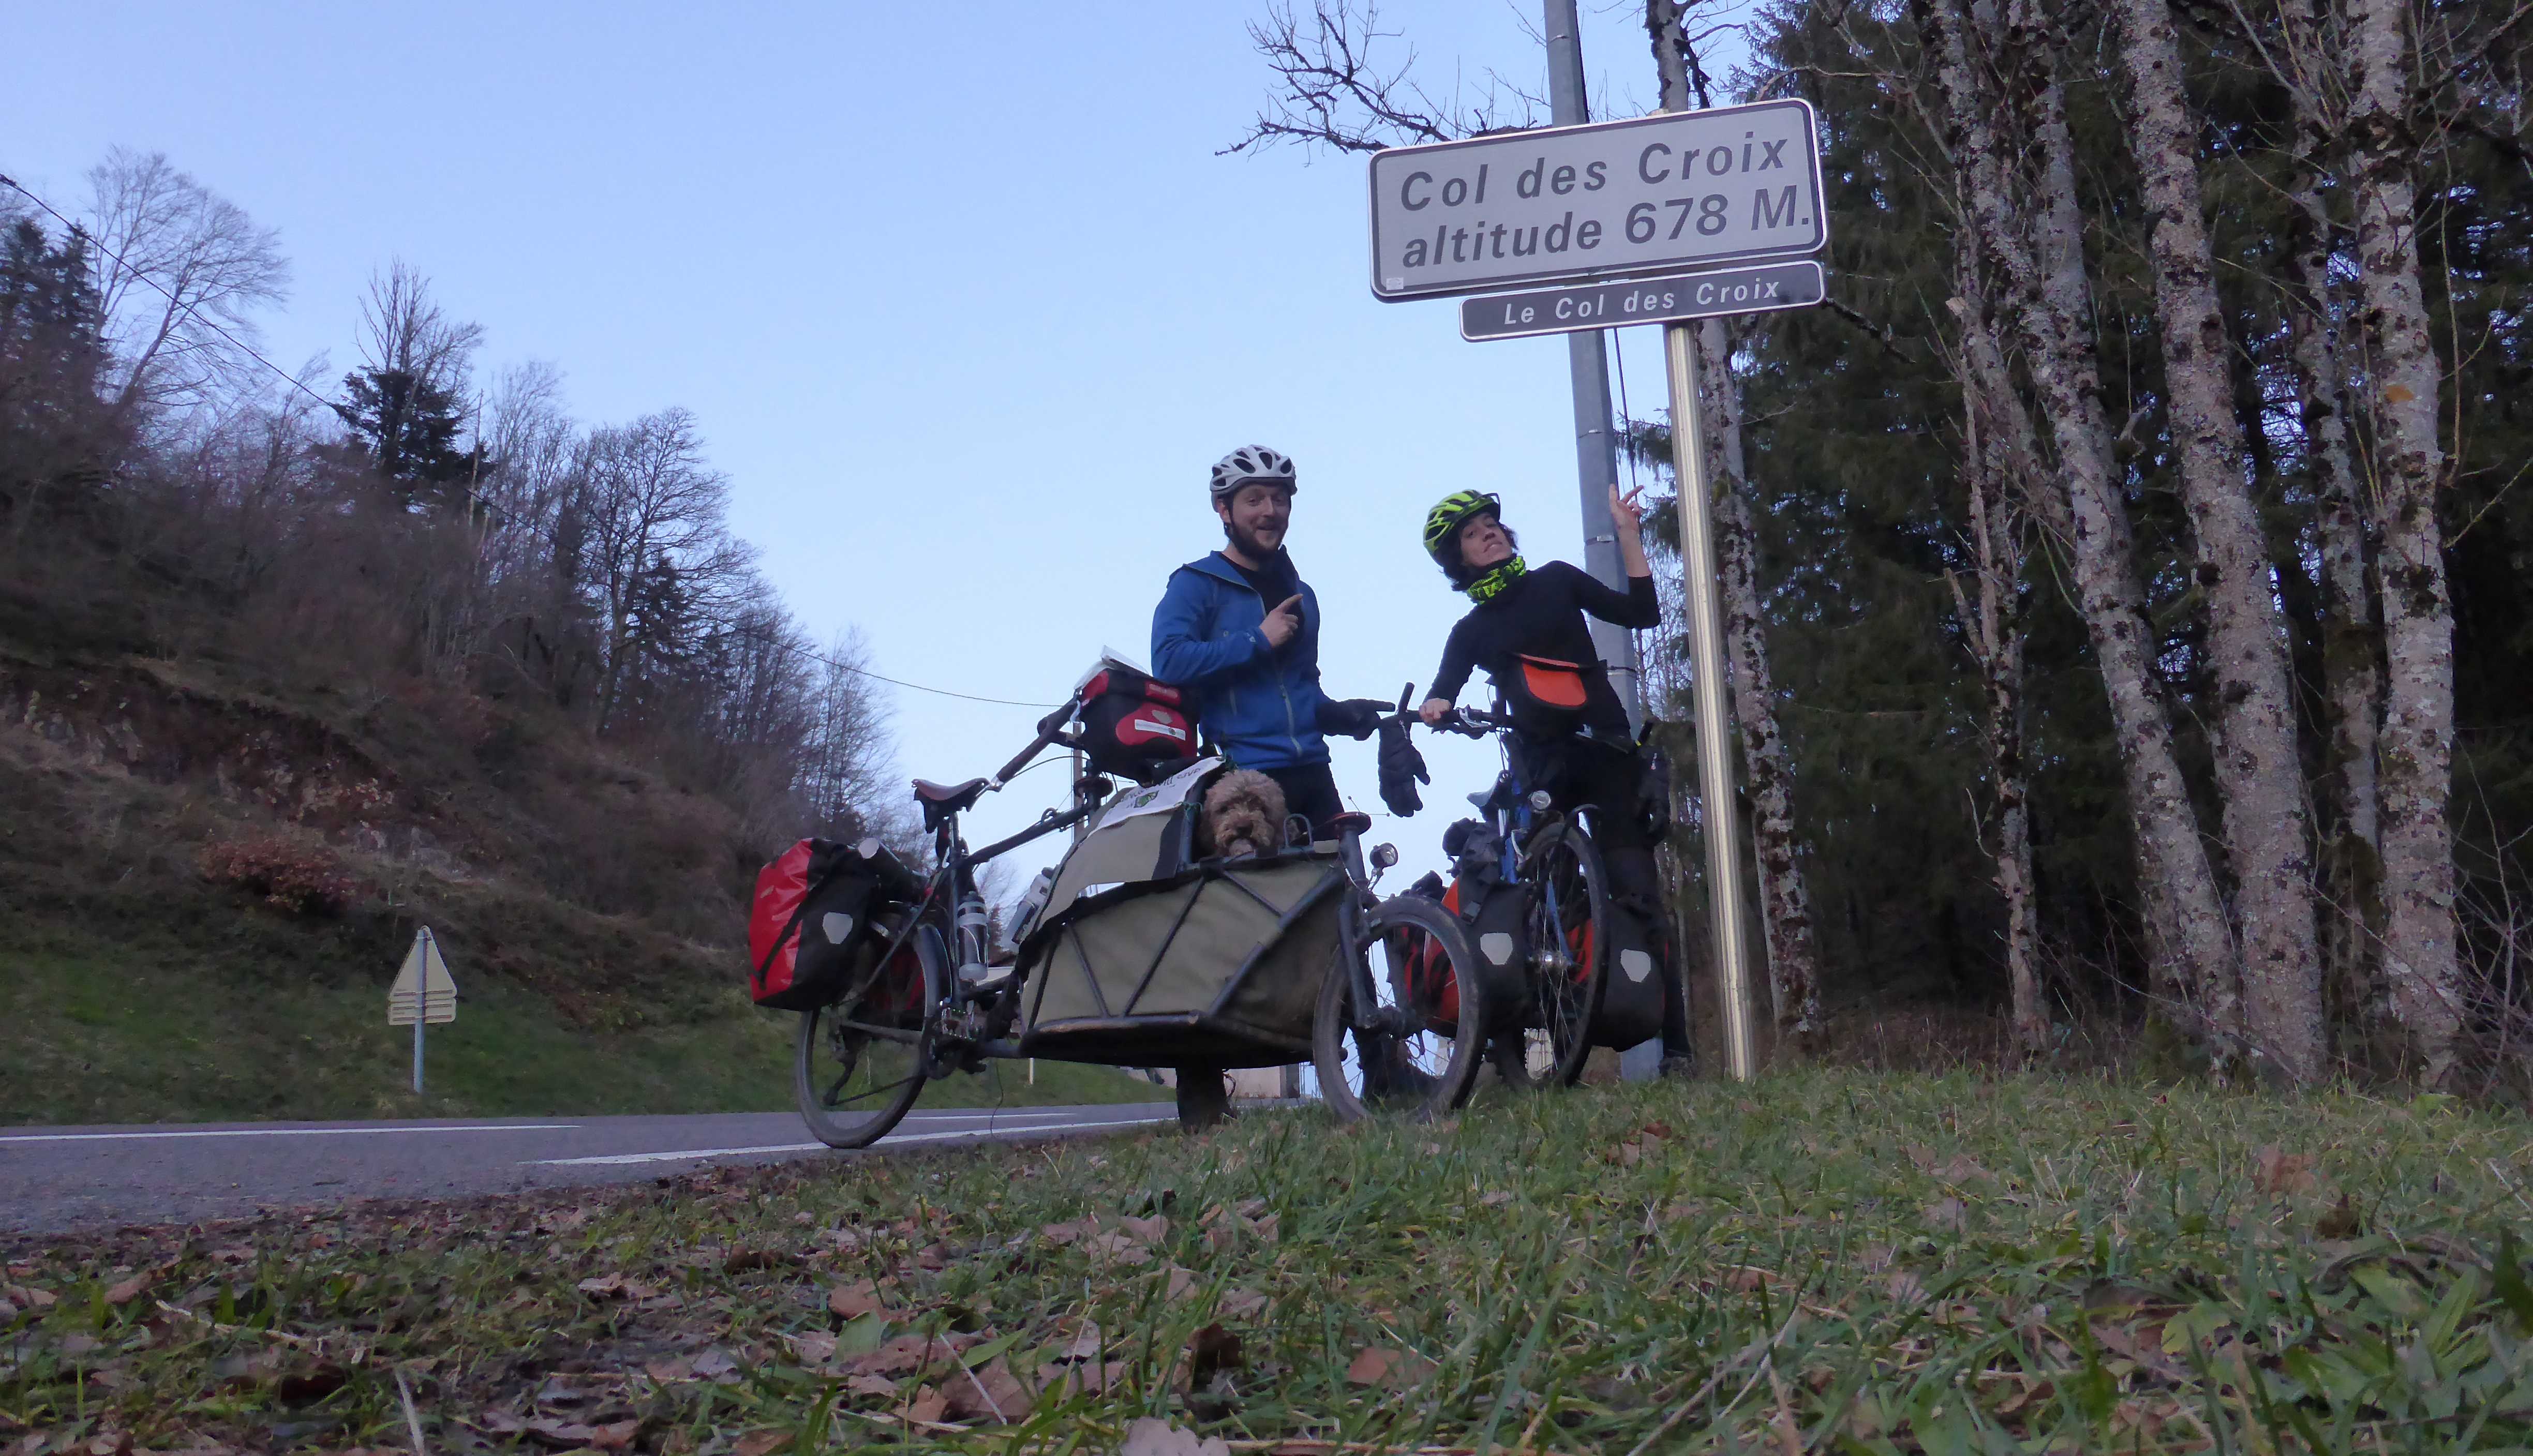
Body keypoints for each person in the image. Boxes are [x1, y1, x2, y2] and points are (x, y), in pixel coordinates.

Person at [1417, 485, 1695, 1079]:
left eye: (1492, 522)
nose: (1489, 531)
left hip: (1606, 747)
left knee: (1640, 894)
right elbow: (1446, 684)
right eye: (1472, 532)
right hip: (1540, 761)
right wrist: (1438, 704)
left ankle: (1679, 1050)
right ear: (1457, 559)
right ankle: (1530, 1038)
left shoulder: (1557, 580)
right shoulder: (1472, 630)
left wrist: (1628, 534)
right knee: (1537, 899)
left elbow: (1641, 613)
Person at [1151, 444, 1392, 1128]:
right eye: (1255, 498)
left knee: (1343, 911)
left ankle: (1378, 1066)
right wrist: (1256, 638)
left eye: (1280, 498)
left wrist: (1340, 714)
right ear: (1224, 510)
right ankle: (1199, 1082)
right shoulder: (1197, 583)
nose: (1271, 510)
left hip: (1309, 769)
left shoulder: (1300, 593)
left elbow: (1300, 690)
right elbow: (1168, 659)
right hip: (1237, 769)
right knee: (1223, 921)